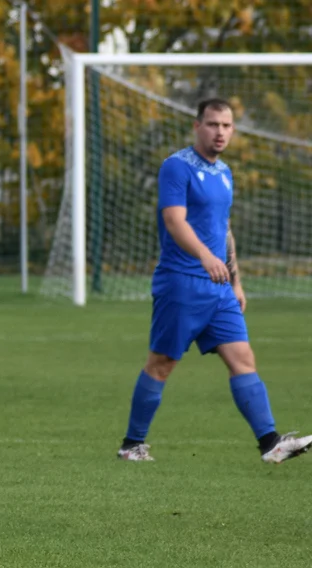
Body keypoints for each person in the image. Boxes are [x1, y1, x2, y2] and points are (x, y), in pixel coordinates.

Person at [117, 98, 312, 464]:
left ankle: (270, 443)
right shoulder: (176, 167)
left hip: (220, 289)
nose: (219, 132)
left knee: (243, 359)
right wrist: (206, 257)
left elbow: (223, 229)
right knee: (162, 363)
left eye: (226, 126)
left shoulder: (224, 172)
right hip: (182, 283)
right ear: (197, 126)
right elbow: (175, 221)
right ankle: (132, 445)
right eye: (212, 124)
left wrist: (235, 281)